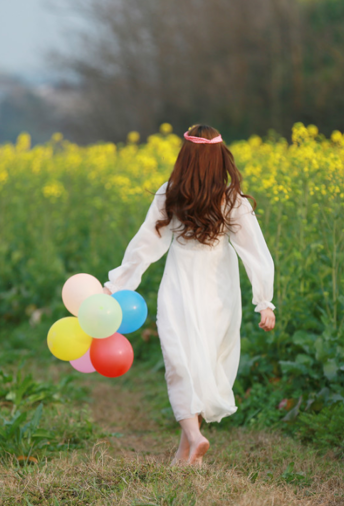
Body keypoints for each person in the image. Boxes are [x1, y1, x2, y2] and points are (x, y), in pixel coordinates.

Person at [102, 124, 276, 466]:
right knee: (199, 366)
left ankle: (194, 439)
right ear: (220, 159)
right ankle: (187, 454)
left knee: (180, 366)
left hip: (180, 291)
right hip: (220, 297)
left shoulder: (170, 194)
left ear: (185, 158)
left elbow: (145, 246)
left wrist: (116, 285)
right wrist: (264, 301)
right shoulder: (232, 201)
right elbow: (257, 253)